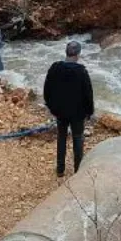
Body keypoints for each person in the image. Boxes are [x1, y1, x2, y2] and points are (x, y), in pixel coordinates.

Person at [43, 41, 95, 177]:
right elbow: (88, 94)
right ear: (78, 54)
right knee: (78, 138)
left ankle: (60, 169)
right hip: (77, 113)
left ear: (66, 52)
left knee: (61, 137)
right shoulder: (81, 71)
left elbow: (47, 90)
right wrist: (90, 111)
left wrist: (51, 107)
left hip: (60, 111)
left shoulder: (55, 68)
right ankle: (78, 171)